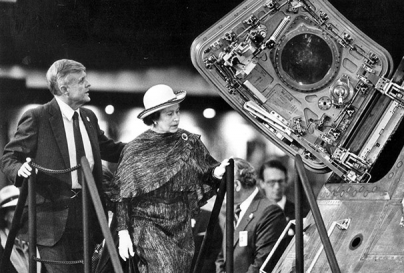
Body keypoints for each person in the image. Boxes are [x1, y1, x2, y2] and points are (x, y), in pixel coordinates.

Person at [1, 59, 125, 273]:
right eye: (82, 81)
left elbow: (112, 149)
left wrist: (151, 143)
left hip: (87, 218)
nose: (89, 85)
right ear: (64, 88)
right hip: (50, 222)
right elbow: (9, 157)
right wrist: (20, 170)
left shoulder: (89, 117)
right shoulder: (37, 117)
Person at [112, 84, 229, 273]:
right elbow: (123, 194)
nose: (176, 118)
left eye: (177, 112)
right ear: (155, 117)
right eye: (169, 114)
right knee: (166, 268)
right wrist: (123, 231)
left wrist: (217, 172)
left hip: (180, 222)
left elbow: (206, 169)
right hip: (147, 222)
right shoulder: (136, 149)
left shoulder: (187, 141)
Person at [215, 158, 286, 273]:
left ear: (236, 185)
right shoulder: (232, 210)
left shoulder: (270, 212)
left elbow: (262, 263)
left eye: (221, 185)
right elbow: (222, 257)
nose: (219, 191)